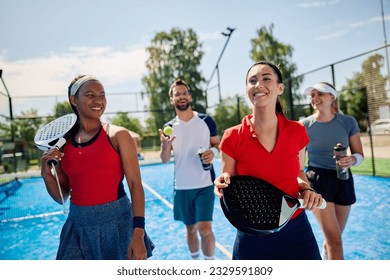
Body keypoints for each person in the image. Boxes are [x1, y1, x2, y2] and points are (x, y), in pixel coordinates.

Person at [214, 61, 324, 260]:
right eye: (252, 81)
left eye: (266, 79)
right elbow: (227, 178)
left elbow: (299, 173)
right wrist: (221, 183)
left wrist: (307, 190)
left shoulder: (297, 131)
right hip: (251, 233)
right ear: (247, 89)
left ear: (280, 88)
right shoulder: (232, 136)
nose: (258, 85)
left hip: (295, 228)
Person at [40, 75, 154, 260]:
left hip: (118, 225)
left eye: (102, 94)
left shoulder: (118, 135)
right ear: (73, 100)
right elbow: (62, 197)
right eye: (90, 95)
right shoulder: (61, 145)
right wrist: (46, 174)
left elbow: (135, 184)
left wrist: (138, 233)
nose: (98, 100)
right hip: (78, 226)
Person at [300, 82, 364, 260]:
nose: (315, 98)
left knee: (335, 239)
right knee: (335, 241)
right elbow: (297, 164)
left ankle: (326, 254)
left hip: (343, 179)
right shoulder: (303, 126)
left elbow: (359, 154)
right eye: (312, 95)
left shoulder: (348, 122)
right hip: (318, 180)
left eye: (320, 93)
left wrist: (352, 159)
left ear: (332, 97)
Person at [159, 79, 220, 260]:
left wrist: (213, 152)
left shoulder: (206, 121)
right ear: (172, 100)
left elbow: (217, 145)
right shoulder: (169, 128)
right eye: (177, 94)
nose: (181, 96)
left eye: (184, 93)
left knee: (205, 228)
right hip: (182, 186)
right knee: (190, 228)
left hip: (205, 184)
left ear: (190, 96)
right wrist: (164, 146)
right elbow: (164, 160)